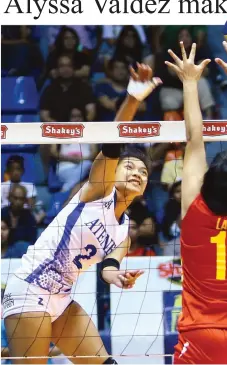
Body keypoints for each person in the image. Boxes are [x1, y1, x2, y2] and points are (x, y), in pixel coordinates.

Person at [3, 64, 161, 365]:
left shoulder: (123, 230)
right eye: (130, 167)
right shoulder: (98, 192)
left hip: (62, 298)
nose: (137, 173)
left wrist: (118, 277)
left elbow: (108, 267)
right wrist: (133, 99)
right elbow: (113, 144)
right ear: (114, 172)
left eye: (143, 172)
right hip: (30, 288)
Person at [165, 40, 227, 364]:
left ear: (210, 182)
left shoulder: (195, 210)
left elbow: (195, 139)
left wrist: (190, 82)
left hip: (202, 333)